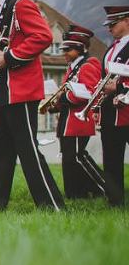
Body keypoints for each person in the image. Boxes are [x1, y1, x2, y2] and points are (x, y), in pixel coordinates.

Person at [0, 0, 64, 211]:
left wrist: (9, 56)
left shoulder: (21, 4)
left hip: (22, 91)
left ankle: (52, 206)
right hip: (4, 90)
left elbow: (43, 36)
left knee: (27, 151)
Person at [47, 32, 105, 199]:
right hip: (68, 121)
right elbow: (68, 93)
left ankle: (103, 187)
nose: (64, 52)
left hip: (79, 121)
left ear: (80, 49)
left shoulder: (87, 66)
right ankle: (75, 193)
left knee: (77, 157)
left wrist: (63, 98)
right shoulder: (73, 68)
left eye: (68, 49)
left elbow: (89, 92)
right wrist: (54, 105)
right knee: (69, 159)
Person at [99, 5, 129, 207]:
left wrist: (117, 85)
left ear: (127, 21)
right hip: (110, 112)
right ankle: (115, 200)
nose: (109, 28)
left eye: (113, 23)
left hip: (127, 110)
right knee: (110, 159)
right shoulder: (111, 49)